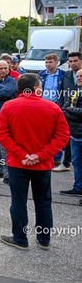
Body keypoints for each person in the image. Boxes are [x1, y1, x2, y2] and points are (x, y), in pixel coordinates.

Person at [0, 73, 69, 250]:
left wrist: (20, 155)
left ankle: (20, 239)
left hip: (17, 163)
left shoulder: (9, 106)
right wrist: (41, 155)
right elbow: (63, 135)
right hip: (41, 165)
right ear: (36, 88)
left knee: (18, 201)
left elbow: (1, 133)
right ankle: (44, 239)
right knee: (43, 201)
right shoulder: (52, 107)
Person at [54, 52, 82, 172]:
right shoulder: (67, 75)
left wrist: (69, 109)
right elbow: (61, 93)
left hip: (77, 113)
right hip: (67, 111)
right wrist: (61, 108)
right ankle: (65, 163)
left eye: (75, 61)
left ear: (81, 61)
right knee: (67, 137)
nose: (72, 63)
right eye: (70, 61)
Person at [60, 68, 82, 198]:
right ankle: (78, 187)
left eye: (81, 76)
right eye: (77, 76)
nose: (79, 78)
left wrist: (71, 110)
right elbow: (64, 110)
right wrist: (71, 110)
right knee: (77, 163)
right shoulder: (75, 92)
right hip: (75, 135)